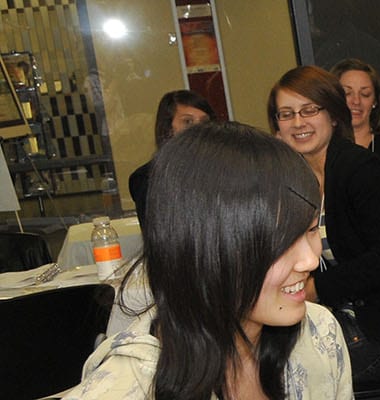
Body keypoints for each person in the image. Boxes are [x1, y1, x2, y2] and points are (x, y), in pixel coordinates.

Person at [63, 121, 351, 399]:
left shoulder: (318, 335)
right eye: (283, 243)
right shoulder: (130, 385)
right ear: (209, 250)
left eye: (312, 230)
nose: (310, 261)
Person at [268, 65, 380, 389]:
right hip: (330, 321)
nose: (298, 122)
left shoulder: (359, 169)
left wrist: (318, 289)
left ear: (334, 116)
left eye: (309, 110)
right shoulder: (291, 179)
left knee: (289, 379)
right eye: (286, 114)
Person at [128, 90, 215, 221]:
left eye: (204, 122)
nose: (199, 128)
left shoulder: (220, 169)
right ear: (168, 128)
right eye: (188, 122)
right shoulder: (147, 177)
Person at [330, 58, 380, 175]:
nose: (356, 101)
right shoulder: (321, 149)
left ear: (375, 101)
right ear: (333, 98)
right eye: (347, 93)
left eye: (365, 94)